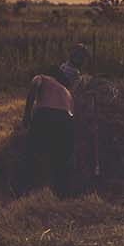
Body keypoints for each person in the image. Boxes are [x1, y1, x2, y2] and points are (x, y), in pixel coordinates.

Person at [21, 44, 88, 197]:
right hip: (65, 118)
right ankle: (62, 192)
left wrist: (27, 114)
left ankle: (27, 187)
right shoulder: (68, 89)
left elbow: (34, 86)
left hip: (45, 114)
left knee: (32, 152)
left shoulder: (42, 78)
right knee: (61, 157)